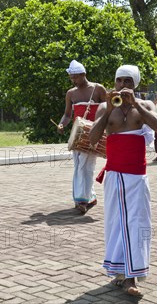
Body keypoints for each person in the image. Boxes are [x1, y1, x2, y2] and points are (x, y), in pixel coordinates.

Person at [89, 65, 157, 297]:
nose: (122, 85)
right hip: (114, 174)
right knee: (116, 223)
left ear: (135, 84)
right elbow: (92, 139)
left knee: (138, 222)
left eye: (128, 82)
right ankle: (120, 272)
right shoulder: (105, 106)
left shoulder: (146, 106)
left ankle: (133, 277)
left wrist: (137, 105)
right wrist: (109, 108)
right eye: (119, 81)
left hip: (137, 176)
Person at [57, 60, 107, 214]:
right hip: (78, 135)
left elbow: (108, 109)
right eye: (71, 78)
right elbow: (67, 115)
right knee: (81, 166)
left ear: (83, 74)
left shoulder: (98, 89)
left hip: (94, 133)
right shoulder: (71, 93)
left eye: (75, 77)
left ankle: (82, 199)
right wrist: (61, 125)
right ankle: (86, 198)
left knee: (86, 166)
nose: (73, 80)